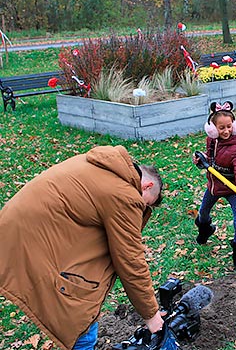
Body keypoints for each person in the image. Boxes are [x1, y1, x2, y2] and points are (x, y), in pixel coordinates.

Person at [0, 145, 164, 350]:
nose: (142, 208)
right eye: (146, 203)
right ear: (147, 186)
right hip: (29, 239)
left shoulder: (100, 164)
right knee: (81, 317)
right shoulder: (125, 195)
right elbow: (130, 260)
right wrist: (151, 315)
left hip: (15, 227)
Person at [193, 101, 236, 274]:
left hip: (235, 190)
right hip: (214, 185)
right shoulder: (211, 139)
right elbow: (212, 161)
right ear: (212, 128)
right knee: (203, 214)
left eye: (229, 127)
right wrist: (202, 161)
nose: (226, 131)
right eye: (221, 128)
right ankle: (206, 230)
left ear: (234, 126)